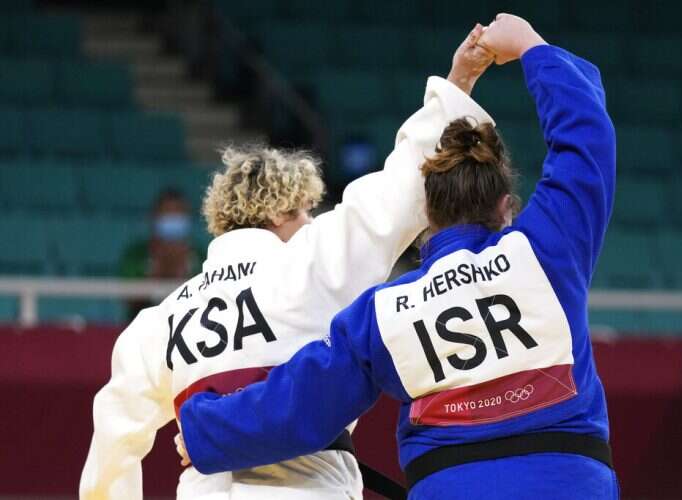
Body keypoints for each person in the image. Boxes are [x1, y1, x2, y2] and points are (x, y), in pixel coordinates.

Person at [178, 14, 618, 499]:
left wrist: (206, 431)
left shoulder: (383, 312)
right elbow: (586, 141)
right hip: (568, 483)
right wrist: (532, 47)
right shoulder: (546, 247)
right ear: (505, 207)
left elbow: (301, 403)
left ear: (425, 213)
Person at [79, 24, 495, 500]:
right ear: (279, 210)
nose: (309, 222)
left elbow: (114, 439)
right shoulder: (308, 263)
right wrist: (458, 83)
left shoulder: (159, 322)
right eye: (304, 211)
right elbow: (398, 189)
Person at [120, 189, 204, 320]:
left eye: (178, 214)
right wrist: (157, 272)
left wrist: (182, 273)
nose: (173, 220)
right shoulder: (135, 254)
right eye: (167, 214)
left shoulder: (202, 256)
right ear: (154, 218)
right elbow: (126, 298)